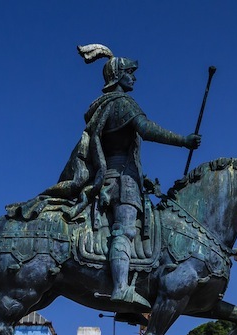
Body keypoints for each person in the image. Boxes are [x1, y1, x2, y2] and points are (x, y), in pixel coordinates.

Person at [25, 44, 200, 311]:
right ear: (119, 75)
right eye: (131, 72)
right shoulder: (121, 104)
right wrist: (183, 141)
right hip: (121, 181)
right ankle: (120, 286)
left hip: (117, 176)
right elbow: (146, 128)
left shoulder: (102, 107)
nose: (135, 77)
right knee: (125, 229)